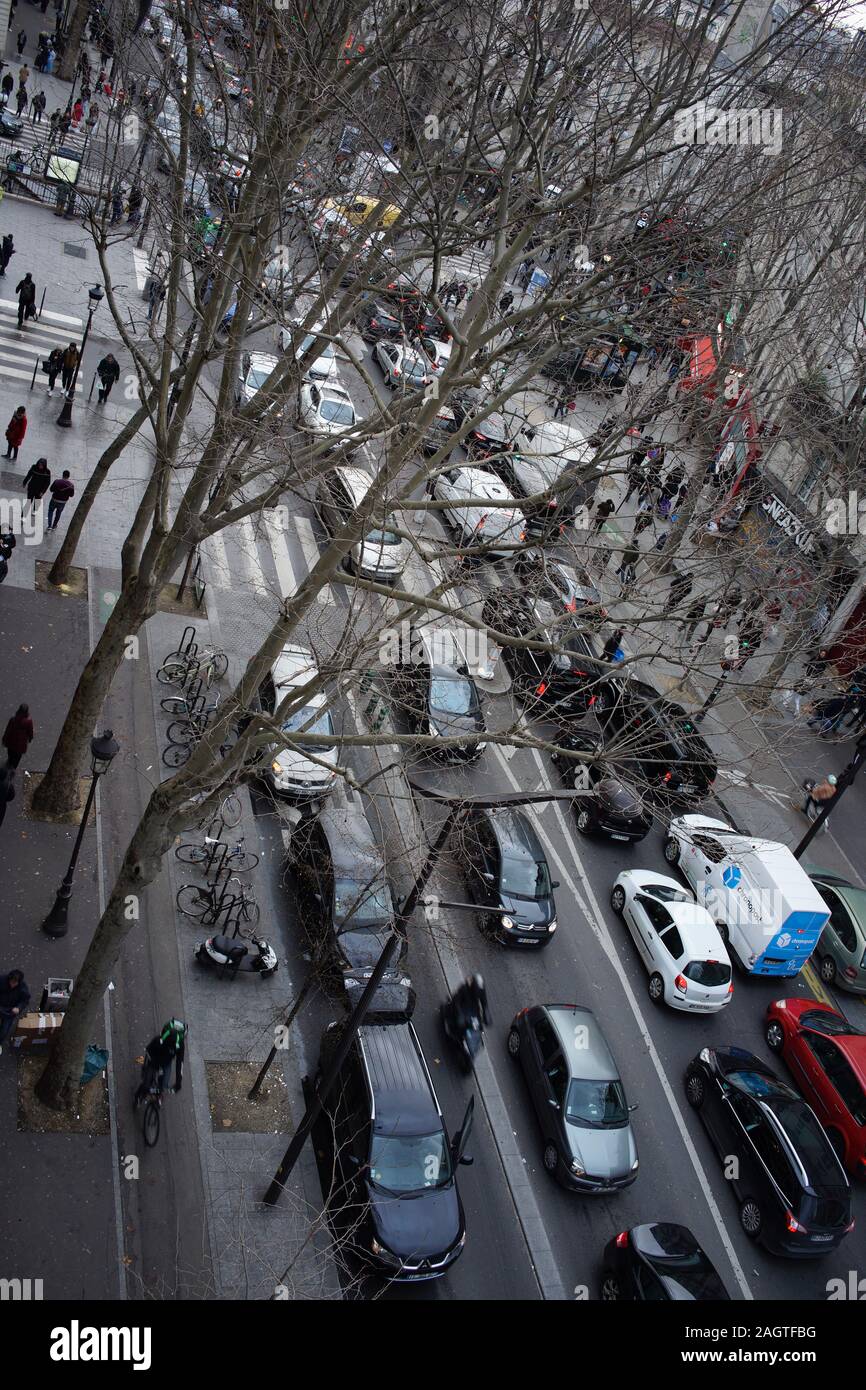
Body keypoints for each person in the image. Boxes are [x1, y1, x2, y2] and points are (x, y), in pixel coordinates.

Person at [134, 1019, 187, 1103]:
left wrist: (178, 1083)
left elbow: (179, 1063)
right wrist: (146, 1066)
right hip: (154, 1059)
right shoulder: (159, 1040)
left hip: (165, 1062)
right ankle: (138, 1096)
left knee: (163, 1085)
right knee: (146, 1084)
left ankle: (158, 1094)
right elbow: (149, 1051)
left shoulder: (179, 1045)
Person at [0, 968, 29, 1049]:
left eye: (15, 983)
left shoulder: (22, 988)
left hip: (10, 1011)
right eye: (11, 982)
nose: (12, 985)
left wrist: (18, 1008)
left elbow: (25, 1000)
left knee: (4, 1030)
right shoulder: (1, 980)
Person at [2, 703, 33, 768]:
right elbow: (30, 731)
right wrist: (30, 738)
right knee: (18, 756)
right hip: (21, 743)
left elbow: (8, 730)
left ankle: (9, 763)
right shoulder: (28, 721)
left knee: (11, 754)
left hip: (11, 741)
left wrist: (4, 738)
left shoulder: (13, 719)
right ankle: (13, 768)